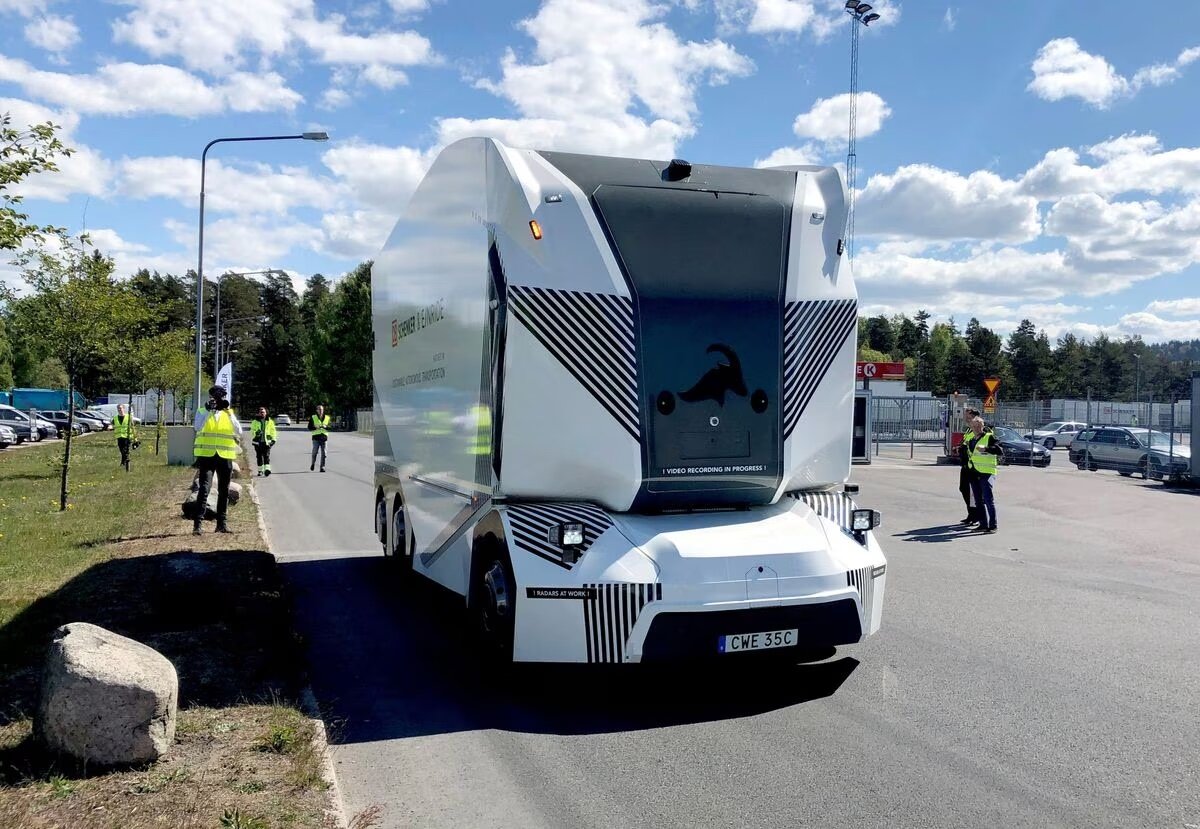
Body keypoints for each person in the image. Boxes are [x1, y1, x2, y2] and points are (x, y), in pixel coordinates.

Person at [193, 384, 242, 535]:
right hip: (207, 456)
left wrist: (228, 412)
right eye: (213, 398)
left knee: (224, 491)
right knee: (204, 488)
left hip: (224, 456)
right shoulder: (202, 411)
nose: (216, 402)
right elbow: (197, 427)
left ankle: (221, 524)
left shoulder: (228, 413)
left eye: (219, 398)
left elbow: (238, 431)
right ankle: (198, 525)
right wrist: (208, 411)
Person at [966, 414, 1002, 534]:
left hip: (987, 472)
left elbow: (1000, 450)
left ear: (982, 426)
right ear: (971, 427)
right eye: (974, 426)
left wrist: (986, 449)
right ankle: (983, 524)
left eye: (979, 426)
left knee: (988, 499)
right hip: (974, 473)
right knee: (978, 500)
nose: (976, 428)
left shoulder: (989, 437)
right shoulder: (971, 440)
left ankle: (993, 526)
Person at [958, 407, 982, 525]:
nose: (965, 418)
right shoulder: (969, 430)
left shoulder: (979, 429)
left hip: (975, 465)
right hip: (966, 464)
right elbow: (966, 443)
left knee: (973, 491)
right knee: (964, 489)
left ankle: (976, 514)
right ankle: (971, 514)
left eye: (968, 416)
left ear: (974, 416)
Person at [249, 406, 277, 476]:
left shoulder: (270, 422)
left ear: (266, 413)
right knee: (259, 457)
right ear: (258, 413)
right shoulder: (255, 422)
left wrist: (273, 440)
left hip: (267, 442)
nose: (262, 413)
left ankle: (267, 470)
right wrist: (256, 433)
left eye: (263, 412)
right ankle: (260, 471)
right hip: (257, 443)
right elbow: (251, 431)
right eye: (260, 412)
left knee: (266, 456)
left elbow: (273, 431)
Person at [112, 404, 137, 472]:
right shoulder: (115, 418)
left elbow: (133, 427)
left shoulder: (128, 417)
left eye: (121, 408)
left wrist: (135, 438)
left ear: (124, 409)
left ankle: (124, 463)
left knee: (125, 451)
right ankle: (124, 462)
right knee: (122, 451)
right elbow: (113, 425)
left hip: (127, 437)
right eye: (118, 409)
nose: (119, 410)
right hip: (119, 437)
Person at [309, 404, 330, 472]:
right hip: (316, 438)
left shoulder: (327, 417)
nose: (321, 411)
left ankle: (322, 467)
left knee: (324, 454)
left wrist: (326, 427)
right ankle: (313, 463)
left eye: (322, 409)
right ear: (317, 410)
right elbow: (309, 427)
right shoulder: (313, 417)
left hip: (324, 438)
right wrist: (315, 427)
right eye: (319, 409)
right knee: (315, 452)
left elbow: (330, 427)